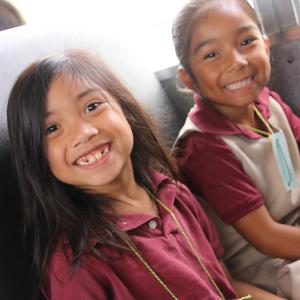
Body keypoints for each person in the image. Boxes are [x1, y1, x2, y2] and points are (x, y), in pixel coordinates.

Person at [6, 49, 280, 299]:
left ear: (125, 110)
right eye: (52, 129)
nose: (84, 133)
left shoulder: (175, 196)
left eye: (91, 107)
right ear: (37, 157)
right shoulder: (74, 268)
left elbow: (224, 286)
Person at [172, 0, 300, 298]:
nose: (236, 62)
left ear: (266, 46)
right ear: (188, 78)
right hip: (270, 267)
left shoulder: (269, 103)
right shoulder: (202, 147)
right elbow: (268, 239)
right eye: (212, 54)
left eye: (246, 41)